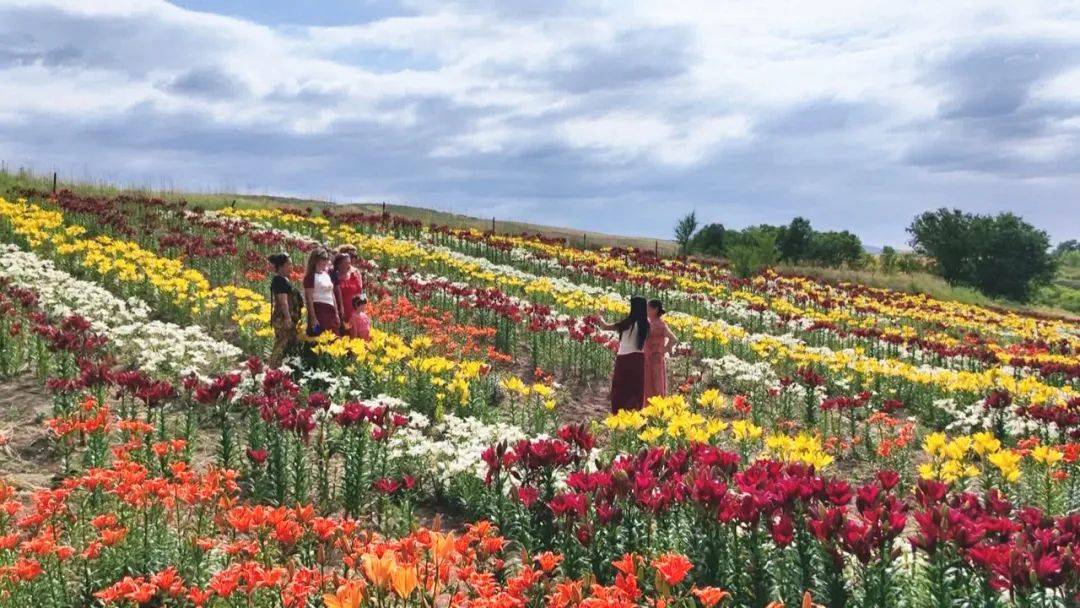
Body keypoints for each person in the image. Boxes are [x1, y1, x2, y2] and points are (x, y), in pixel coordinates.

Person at [599, 296, 650, 413]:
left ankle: (619, 413)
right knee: (636, 387)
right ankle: (635, 413)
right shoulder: (646, 325)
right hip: (639, 359)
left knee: (621, 387)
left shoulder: (627, 323)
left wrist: (600, 315)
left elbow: (605, 326)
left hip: (624, 358)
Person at [267, 252, 302, 368]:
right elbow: (283, 301)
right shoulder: (279, 280)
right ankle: (273, 368)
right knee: (281, 343)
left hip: (288, 317)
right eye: (288, 264)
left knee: (288, 343)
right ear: (281, 266)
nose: (291, 267)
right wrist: (287, 317)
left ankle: (283, 368)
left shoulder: (284, 279)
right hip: (282, 318)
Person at [643, 298, 679, 401]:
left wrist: (665, 350)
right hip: (649, 357)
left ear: (655, 310)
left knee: (655, 382)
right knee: (651, 382)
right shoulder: (649, 323)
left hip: (655, 358)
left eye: (648, 309)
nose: (646, 311)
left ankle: (655, 405)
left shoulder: (659, 325)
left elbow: (674, 339)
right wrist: (664, 350)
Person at [302, 248, 339, 336]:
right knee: (318, 334)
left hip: (330, 311)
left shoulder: (326, 275)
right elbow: (309, 298)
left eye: (327, 258)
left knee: (331, 336)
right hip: (319, 311)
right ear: (316, 260)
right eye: (324, 258)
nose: (326, 261)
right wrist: (313, 318)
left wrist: (336, 313)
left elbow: (332, 294)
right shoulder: (310, 277)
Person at [331, 252, 363, 329]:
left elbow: (360, 292)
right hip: (341, 310)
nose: (348, 265)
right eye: (345, 263)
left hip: (355, 311)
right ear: (338, 264)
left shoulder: (354, 276)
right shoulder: (334, 278)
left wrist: (362, 309)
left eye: (349, 263)